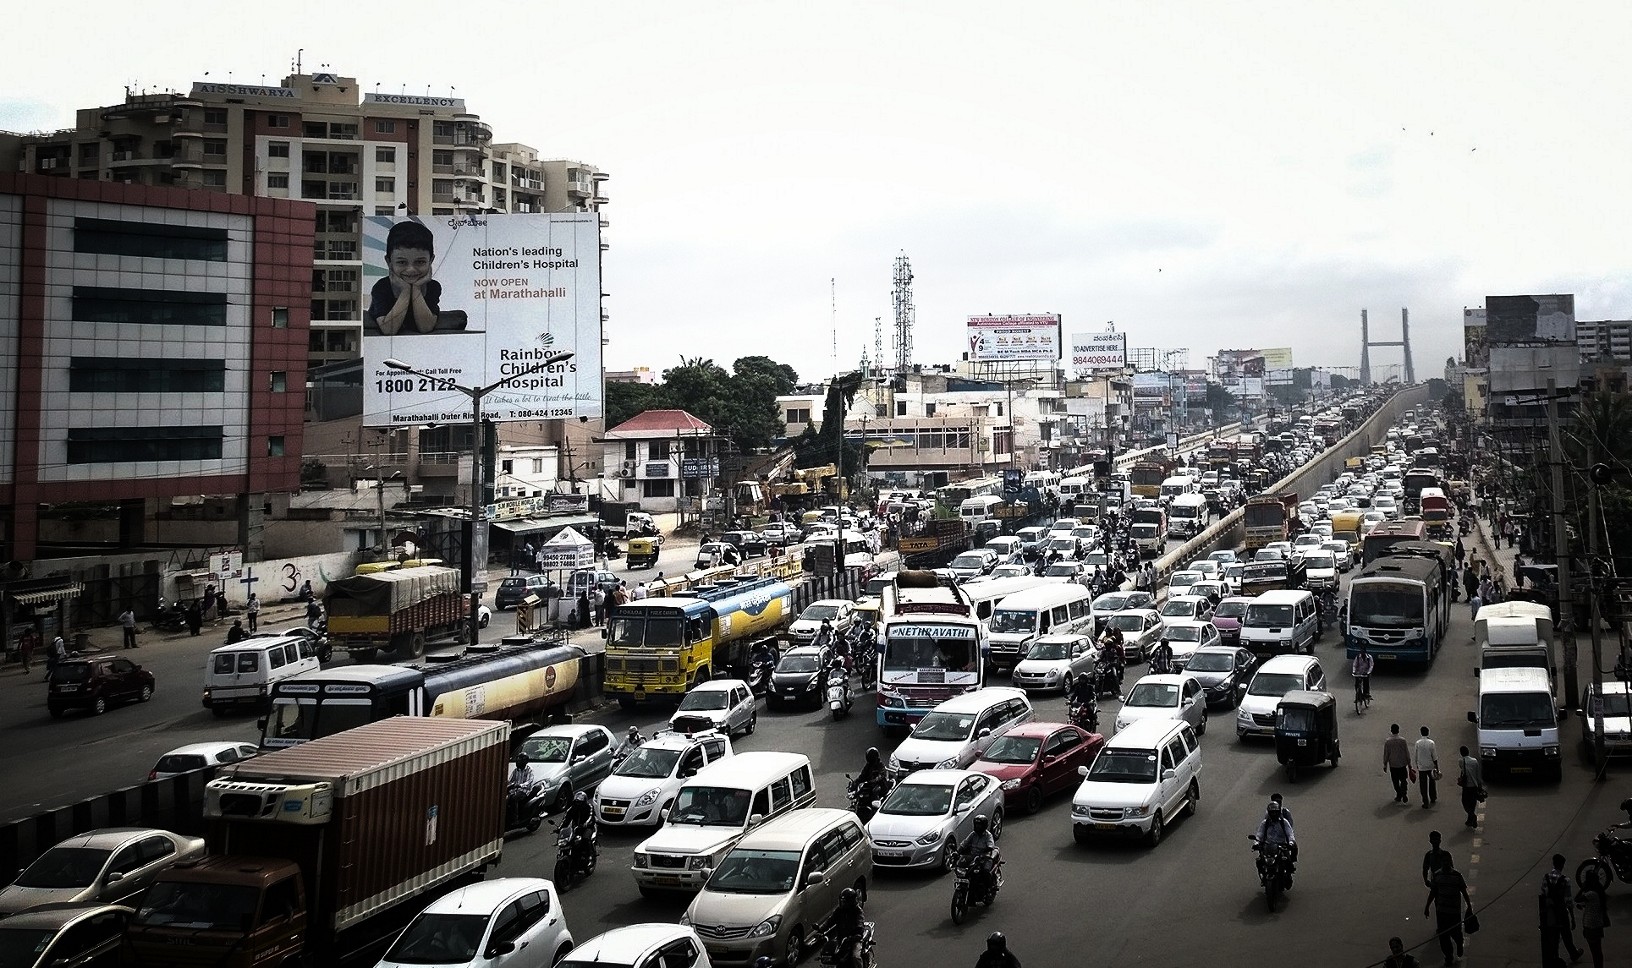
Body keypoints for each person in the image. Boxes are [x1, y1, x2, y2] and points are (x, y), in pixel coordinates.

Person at [366, 219, 442, 335]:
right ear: (389, 261)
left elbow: (426, 327)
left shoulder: (432, 286)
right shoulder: (382, 287)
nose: (411, 269)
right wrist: (405, 290)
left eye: (420, 262)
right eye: (402, 263)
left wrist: (416, 288)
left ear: (431, 260)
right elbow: (388, 329)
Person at [1424, 855, 1471, 967]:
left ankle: (1459, 943)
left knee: (1456, 933)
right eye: (1443, 861)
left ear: (1450, 862)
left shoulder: (1457, 875)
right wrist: (1427, 907)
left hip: (1454, 912)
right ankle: (1448, 956)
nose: (1445, 863)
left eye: (1447, 861)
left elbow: (1464, 891)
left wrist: (1469, 905)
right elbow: (1433, 892)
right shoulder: (1437, 875)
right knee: (1443, 936)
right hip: (1442, 912)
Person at [1541, 853, 1584, 965]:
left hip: (1550, 912)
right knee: (1566, 934)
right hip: (1561, 911)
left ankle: (1555, 956)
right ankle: (1573, 953)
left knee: (1553, 935)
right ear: (1562, 865)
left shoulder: (1546, 878)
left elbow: (1543, 895)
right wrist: (1573, 918)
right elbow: (1568, 901)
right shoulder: (1565, 880)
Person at [958, 815, 1000, 898]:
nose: (977, 827)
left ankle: (989, 888)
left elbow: (990, 846)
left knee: (985, 871)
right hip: (973, 857)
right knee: (964, 869)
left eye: (979, 825)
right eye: (976, 825)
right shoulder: (973, 834)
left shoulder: (988, 835)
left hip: (985, 858)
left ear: (984, 826)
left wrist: (984, 853)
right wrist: (957, 852)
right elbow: (964, 843)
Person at [1577, 866, 1610, 968]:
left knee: (1594, 951)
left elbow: (1577, 898)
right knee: (1597, 951)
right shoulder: (1599, 893)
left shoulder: (1591, 894)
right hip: (1597, 925)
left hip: (1590, 926)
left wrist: (1583, 887)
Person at [826, 887, 867, 966]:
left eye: (845, 901)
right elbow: (830, 921)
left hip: (854, 939)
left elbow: (860, 922)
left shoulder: (857, 911)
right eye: (842, 901)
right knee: (831, 955)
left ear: (850, 902)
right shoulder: (839, 910)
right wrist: (820, 930)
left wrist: (857, 934)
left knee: (855, 957)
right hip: (841, 938)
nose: (843, 903)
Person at [1455, 745, 1484, 829]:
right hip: (1474, 785)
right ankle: (1470, 819)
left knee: (1465, 802)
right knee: (1472, 803)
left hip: (1466, 786)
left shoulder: (1461, 761)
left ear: (1461, 753)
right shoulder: (1475, 761)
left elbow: (1462, 770)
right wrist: (1480, 785)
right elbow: (1478, 774)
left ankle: (1472, 816)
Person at [1384, 723, 1413, 804]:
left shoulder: (1388, 742)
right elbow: (1406, 752)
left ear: (1391, 731)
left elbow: (1386, 754)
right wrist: (1409, 763)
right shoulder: (1402, 740)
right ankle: (1404, 793)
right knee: (1403, 780)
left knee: (1395, 781)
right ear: (1398, 730)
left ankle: (1399, 794)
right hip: (1402, 764)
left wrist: (1385, 764)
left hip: (1393, 765)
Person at [1414, 725, 1439, 808]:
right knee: (1432, 782)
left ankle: (1425, 801)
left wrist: (1417, 765)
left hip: (1422, 767)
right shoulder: (1431, 743)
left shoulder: (1418, 743)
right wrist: (1437, 767)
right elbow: (1434, 756)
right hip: (1430, 766)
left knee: (1423, 785)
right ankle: (1433, 797)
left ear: (1421, 733)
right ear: (1428, 733)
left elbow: (1415, 755)